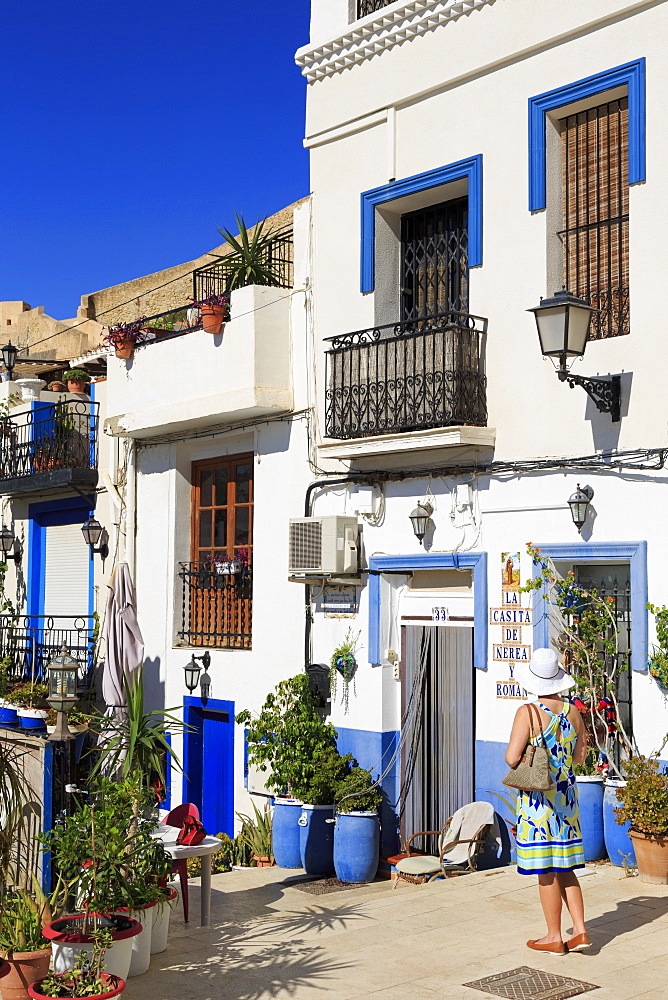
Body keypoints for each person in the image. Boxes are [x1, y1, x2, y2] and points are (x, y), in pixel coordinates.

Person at [505, 647, 589, 956]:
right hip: (566, 800)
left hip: (538, 803)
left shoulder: (526, 712)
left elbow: (512, 757)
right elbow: (580, 756)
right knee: (567, 868)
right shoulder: (573, 712)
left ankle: (554, 935)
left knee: (545, 870)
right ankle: (580, 931)